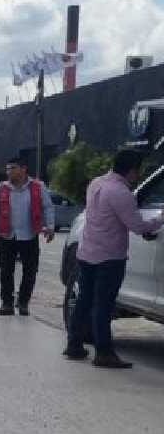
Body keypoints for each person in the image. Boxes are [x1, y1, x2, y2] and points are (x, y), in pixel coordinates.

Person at [64, 150, 163, 369]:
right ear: (132, 170)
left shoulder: (96, 184)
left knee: (84, 300)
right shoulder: (120, 193)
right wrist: (159, 220)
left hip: (87, 252)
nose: (138, 175)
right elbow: (138, 226)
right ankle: (104, 353)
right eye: (138, 171)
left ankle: (74, 345)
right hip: (109, 258)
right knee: (104, 305)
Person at [0, 158, 55, 316]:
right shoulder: (1, 188)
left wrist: (50, 227)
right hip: (6, 235)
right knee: (6, 271)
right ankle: (7, 304)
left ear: (24, 169)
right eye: (7, 169)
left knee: (30, 271)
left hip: (29, 235)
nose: (9, 172)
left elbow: (48, 207)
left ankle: (23, 302)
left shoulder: (38, 187)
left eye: (13, 168)